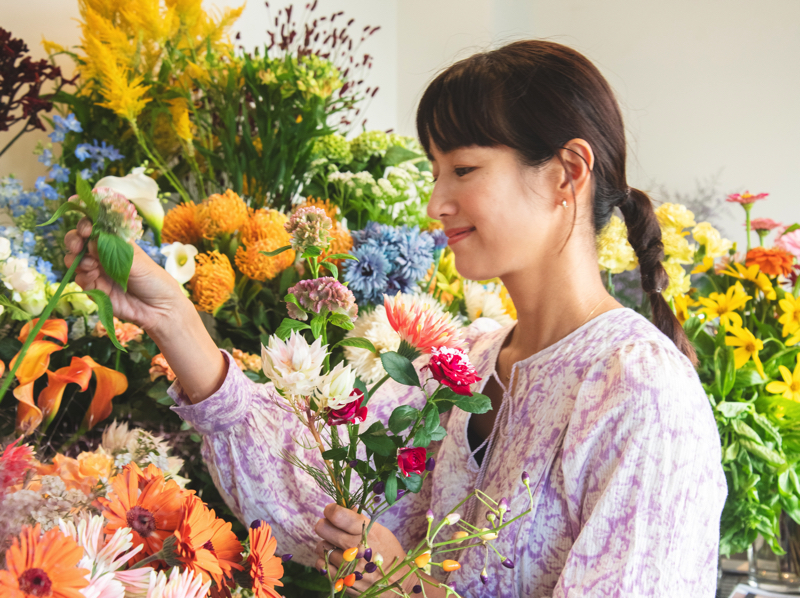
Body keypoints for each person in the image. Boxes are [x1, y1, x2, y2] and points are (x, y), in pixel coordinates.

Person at [65, 40, 727, 597]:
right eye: (436, 170)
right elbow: (313, 497)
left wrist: (408, 583)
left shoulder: (641, 394)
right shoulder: (465, 362)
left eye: (463, 168)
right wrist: (172, 318)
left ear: (566, 173)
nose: (438, 201)